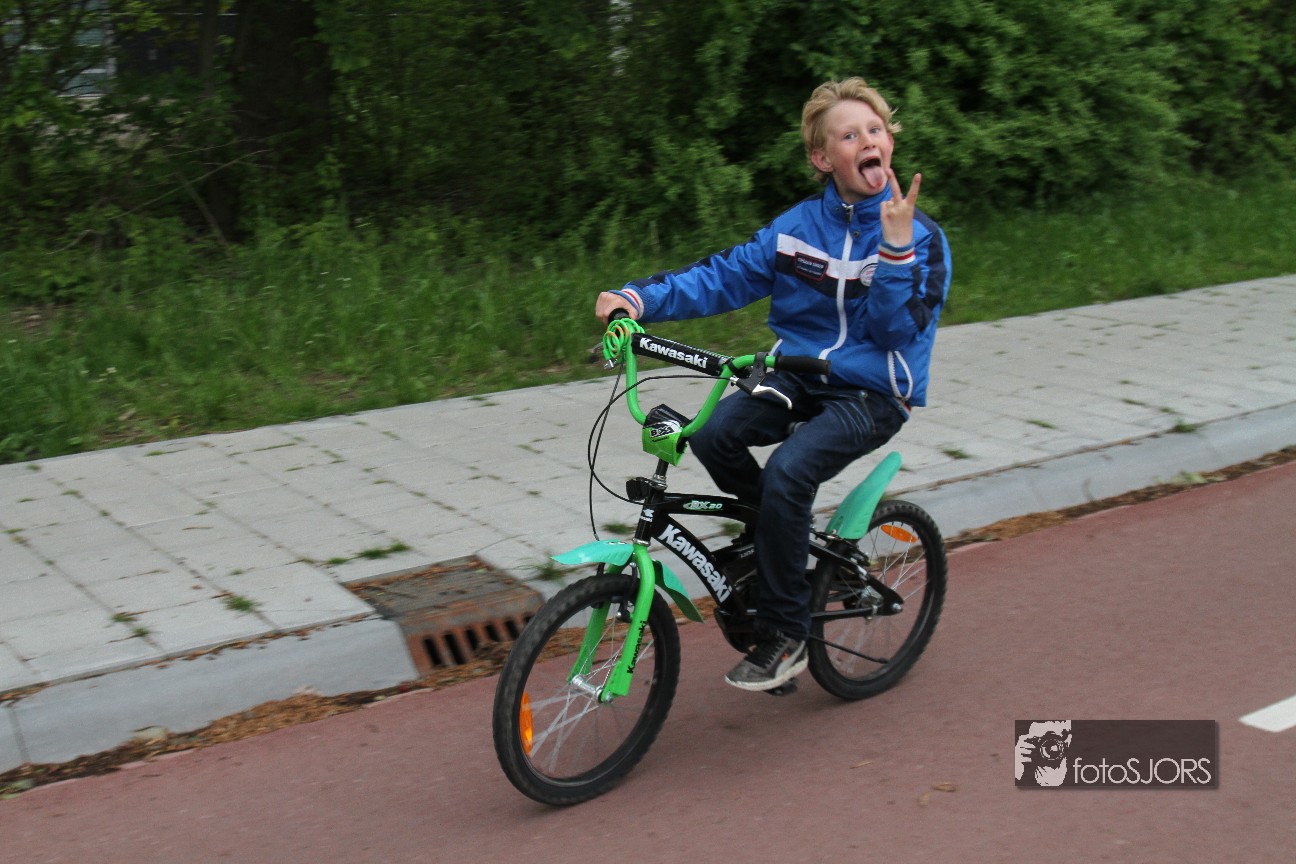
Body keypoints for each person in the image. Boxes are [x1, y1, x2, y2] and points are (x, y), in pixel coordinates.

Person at [595, 77, 952, 692]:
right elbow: (723, 276)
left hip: (872, 393)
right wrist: (637, 300)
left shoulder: (921, 237)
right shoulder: (796, 229)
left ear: (890, 142)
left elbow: (896, 331)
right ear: (823, 158)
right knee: (711, 435)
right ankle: (776, 544)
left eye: (875, 129)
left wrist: (895, 250)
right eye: (849, 135)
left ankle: (785, 635)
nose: (868, 140)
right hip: (798, 374)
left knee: (789, 472)